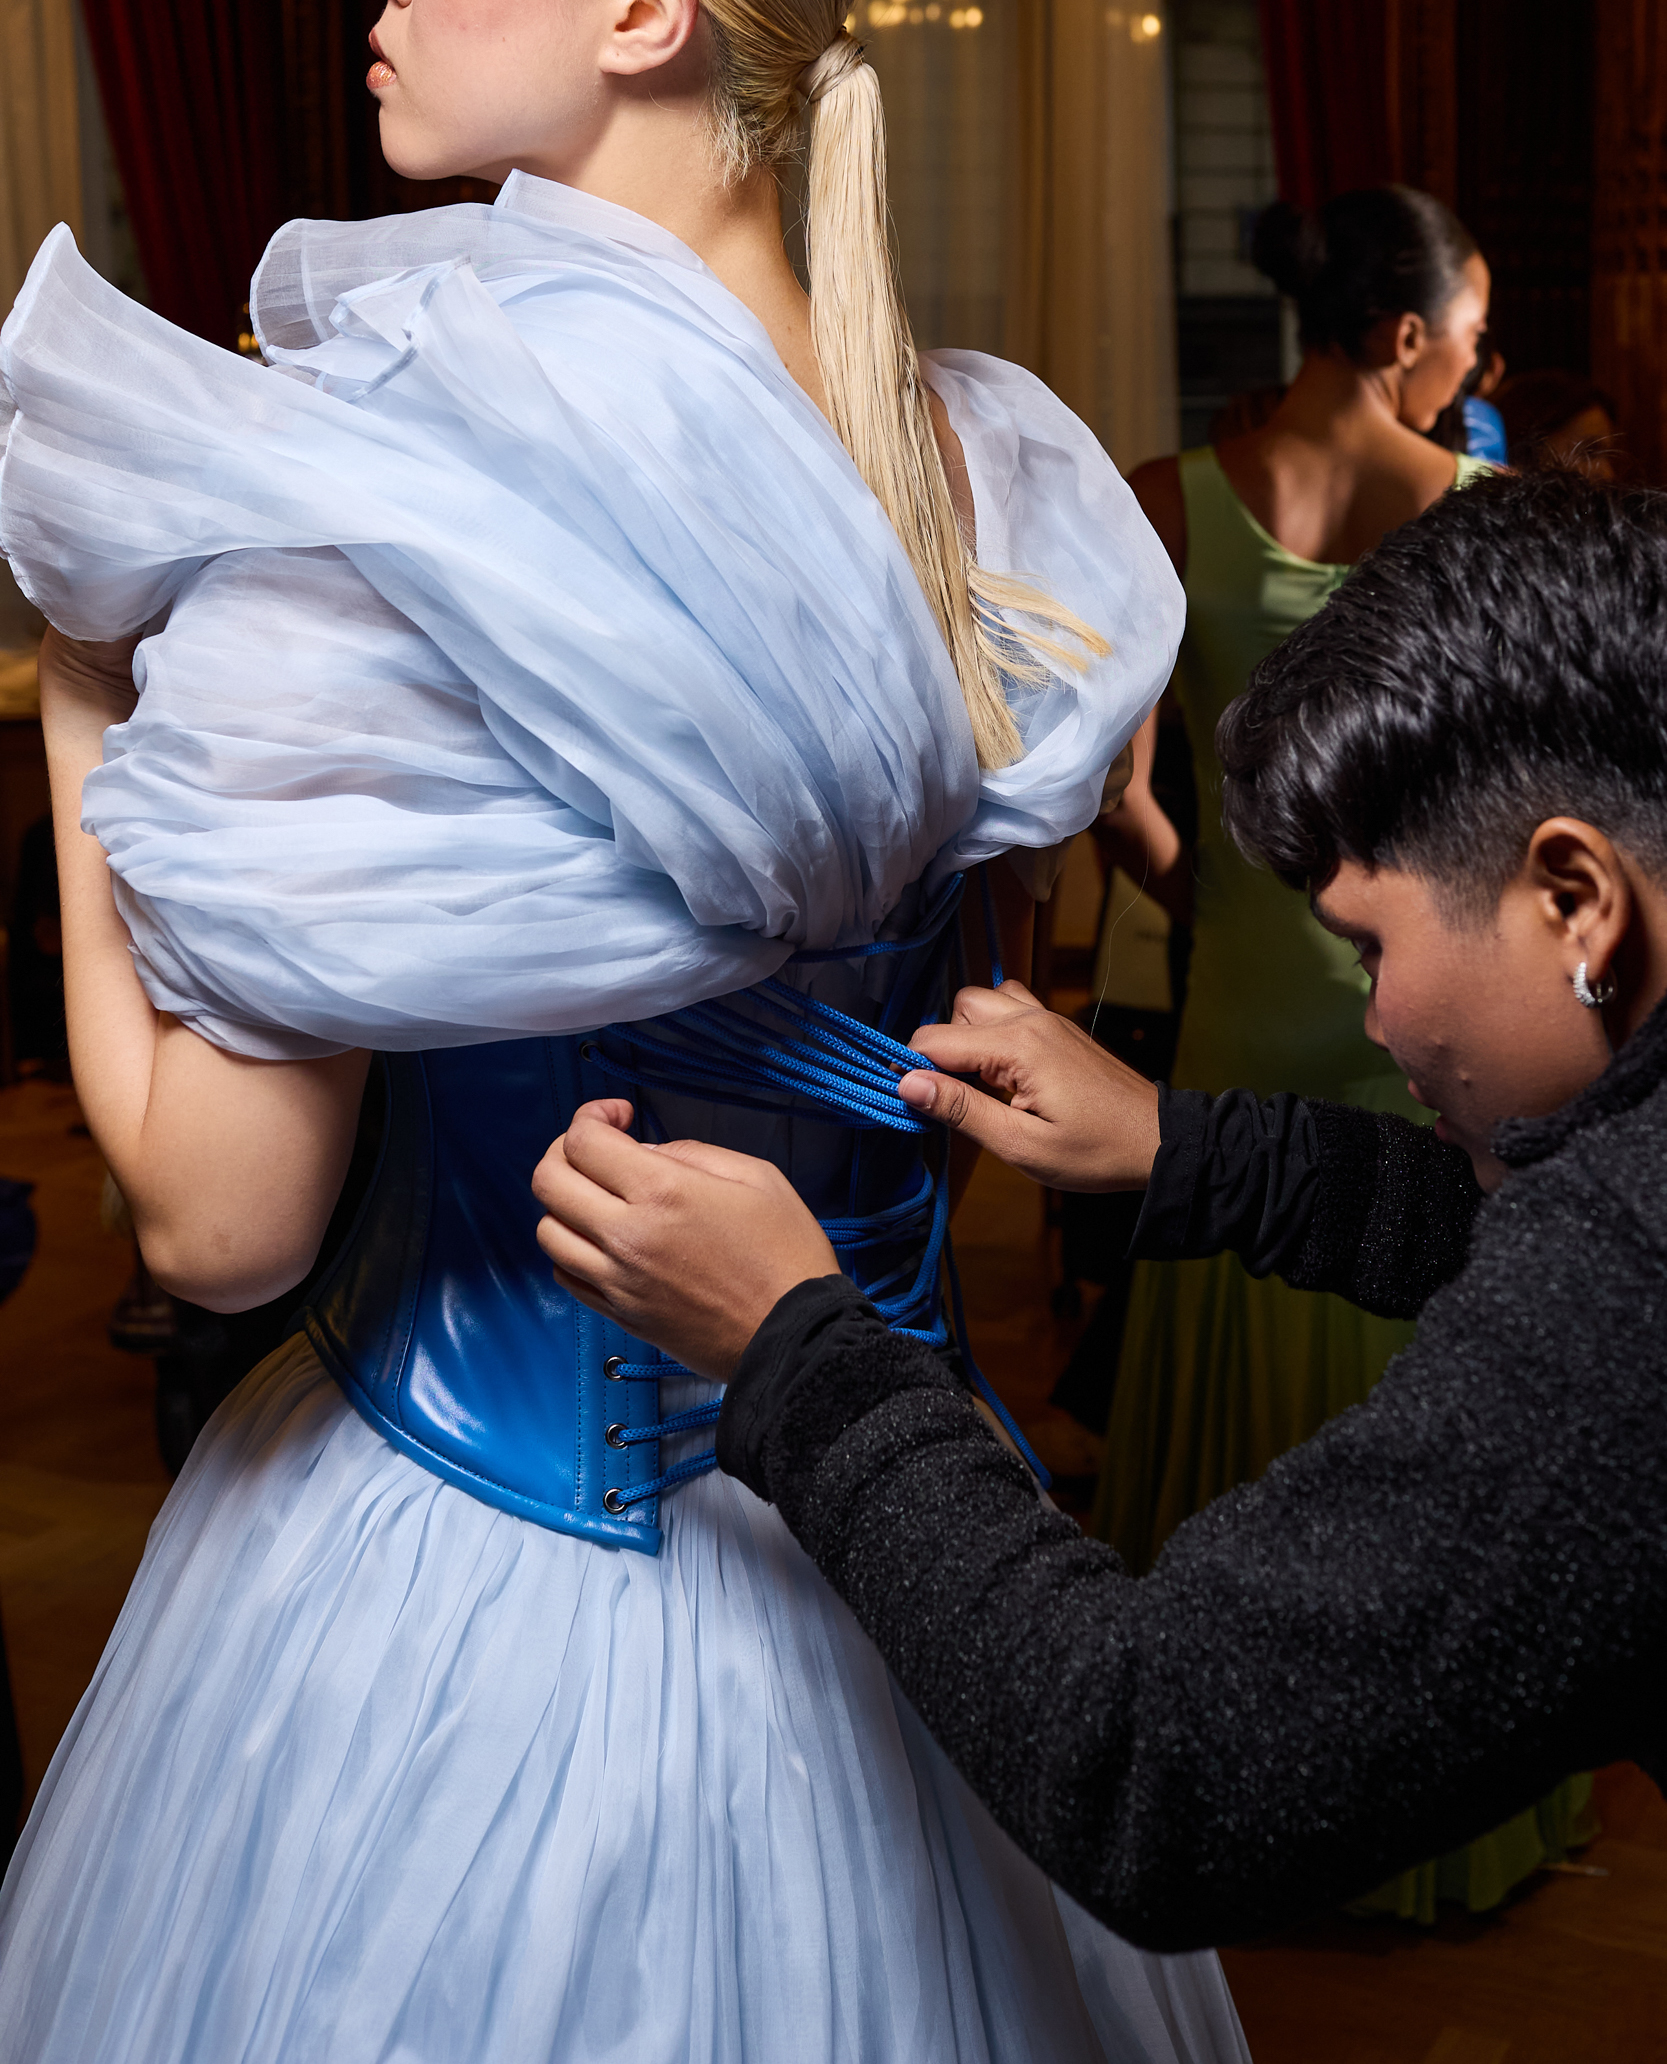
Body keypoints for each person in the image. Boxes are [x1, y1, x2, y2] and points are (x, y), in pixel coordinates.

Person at [0, 0, 1247, 2064]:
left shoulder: (389, 517)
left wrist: (82, 687)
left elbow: (216, 1219)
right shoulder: (979, 473)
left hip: (456, 1619)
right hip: (921, 1564)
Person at [530, 467, 1667, 1953]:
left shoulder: (1626, 1296)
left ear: (1573, 896)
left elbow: (1154, 1763)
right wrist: (1187, 1148)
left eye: (1368, 947)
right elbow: (1516, 1247)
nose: (1376, 1021)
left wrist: (799, 1349)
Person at [1092, 184, 1594, 1917]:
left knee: (1234, 1453)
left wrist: (1221, 908)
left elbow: (1120, 800)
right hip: (1439, 1052)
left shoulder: (1165, 507)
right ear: (1404, 342)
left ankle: (1204, 1810)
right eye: (1464, 348)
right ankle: (1422, 1837)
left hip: (1233, 1026)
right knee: (1428, 1490)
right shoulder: (1490, 516)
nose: (1475, 376)